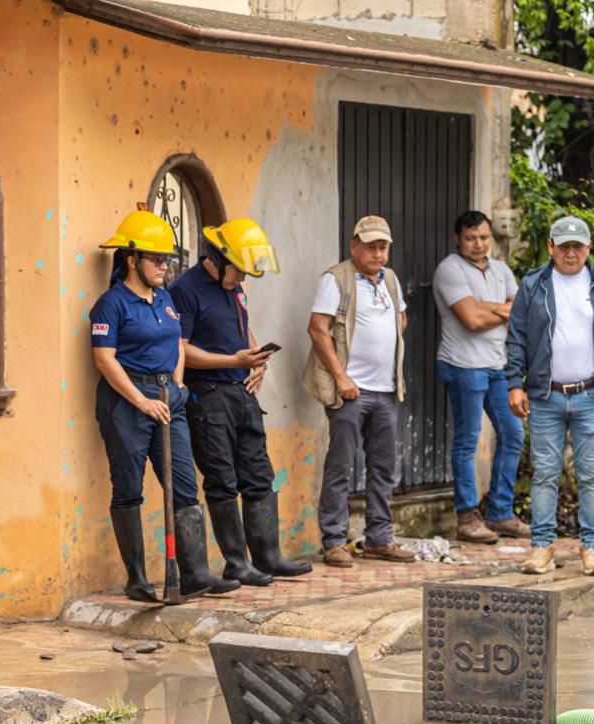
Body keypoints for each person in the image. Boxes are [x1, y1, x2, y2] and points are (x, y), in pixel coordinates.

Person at [92, 211, 238, 600]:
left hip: (167, 398)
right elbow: (105, 360)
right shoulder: (112, 304)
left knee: (184, 486)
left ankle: (195, 573)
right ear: (131, 260)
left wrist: (175, 382)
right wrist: (141, 401)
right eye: (156, 259)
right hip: (127, 400)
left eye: (167, 260)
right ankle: (137, 578)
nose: (164, 266)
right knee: (128, 487)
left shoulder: (166, 299)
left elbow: (176, 341)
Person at [171, 217, 312, 586]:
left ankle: (268, 557)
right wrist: (233, 361)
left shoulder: (235, 287)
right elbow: (181, 350)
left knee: (259, 474)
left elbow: (241, 327)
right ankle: (237, 562)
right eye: (237, 271)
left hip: (242, 391)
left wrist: (254, 359)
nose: (242, 279)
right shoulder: (186, 289)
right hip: (208, 394)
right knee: (221, 479)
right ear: (217, 259)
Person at [505, 216, 594, 577]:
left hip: (592, 395)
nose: (571, 253)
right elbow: (516, 338)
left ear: (589, 248)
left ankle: (592, 548)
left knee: (591, 473)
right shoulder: (534, 286)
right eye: (564, 246)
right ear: (551, 247)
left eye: (578, 246)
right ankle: (542, 548)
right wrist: (514, 383)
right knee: (544, 473)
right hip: (546, 395)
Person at [304, 215, 416, 568]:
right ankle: (334, 541)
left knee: (383, 467)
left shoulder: (391, 280)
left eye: (383, 247)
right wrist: (342, 378)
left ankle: (379, 538)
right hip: (351, 390)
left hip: (385, 389)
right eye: (370, 247)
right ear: (354, 246)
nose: (378, 254)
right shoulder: (336, 278)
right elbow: (318, 329)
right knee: (341, 466)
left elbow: (402, 319)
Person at [432, 210, 528, 543]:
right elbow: (470, 320)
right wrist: (501, 309)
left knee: (513, 433)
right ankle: (467, 517)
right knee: (468, 440)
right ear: (457, 238)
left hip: (497, 367)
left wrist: (489, 308)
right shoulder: (449, 269)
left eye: (484, 237)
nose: (478, 244)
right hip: (463, 365)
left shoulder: (501, 269)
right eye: (471, 238)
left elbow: (521, 311)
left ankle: (501, 513)